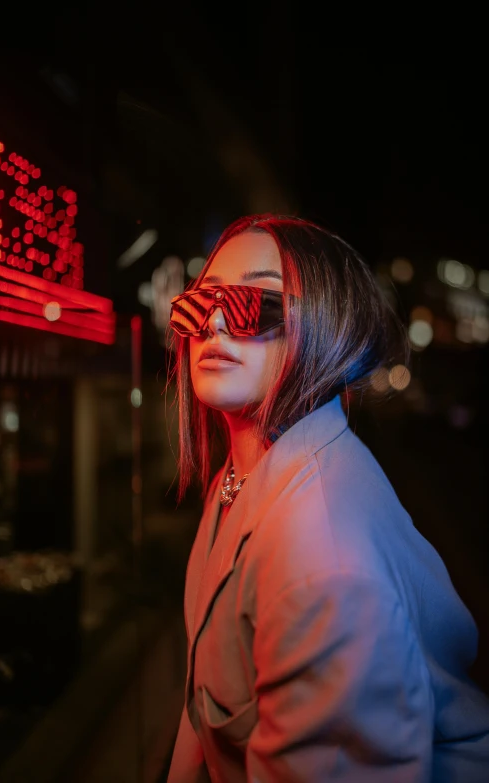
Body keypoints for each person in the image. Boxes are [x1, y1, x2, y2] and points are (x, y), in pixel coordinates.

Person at [165, 214, 489, 782]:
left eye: (251, 303)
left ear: (328, 325)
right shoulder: (235, 481)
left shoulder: (323, 559)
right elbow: (205, 708)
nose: (213, 321)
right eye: (198, 302)